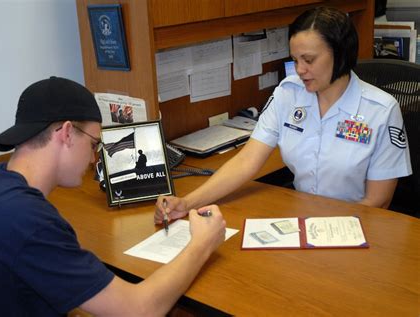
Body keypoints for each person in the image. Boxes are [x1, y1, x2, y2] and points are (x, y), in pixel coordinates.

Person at [0, 76, 226, 316]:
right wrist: (202, 243)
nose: (94, 158)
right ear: (67, 133)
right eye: (94, 143)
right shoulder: (27, 220)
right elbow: (141, 310)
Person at [155, 7, 412, 224]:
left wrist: (328, 235)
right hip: (300, 220)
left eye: (309, 60)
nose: (300, 70)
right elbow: (247, 161)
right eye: (295, 59)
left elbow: (379, 200)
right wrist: (186, 203)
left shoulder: (381, 110)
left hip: (355, 228)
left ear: (341, 53)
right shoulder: (288, 94)